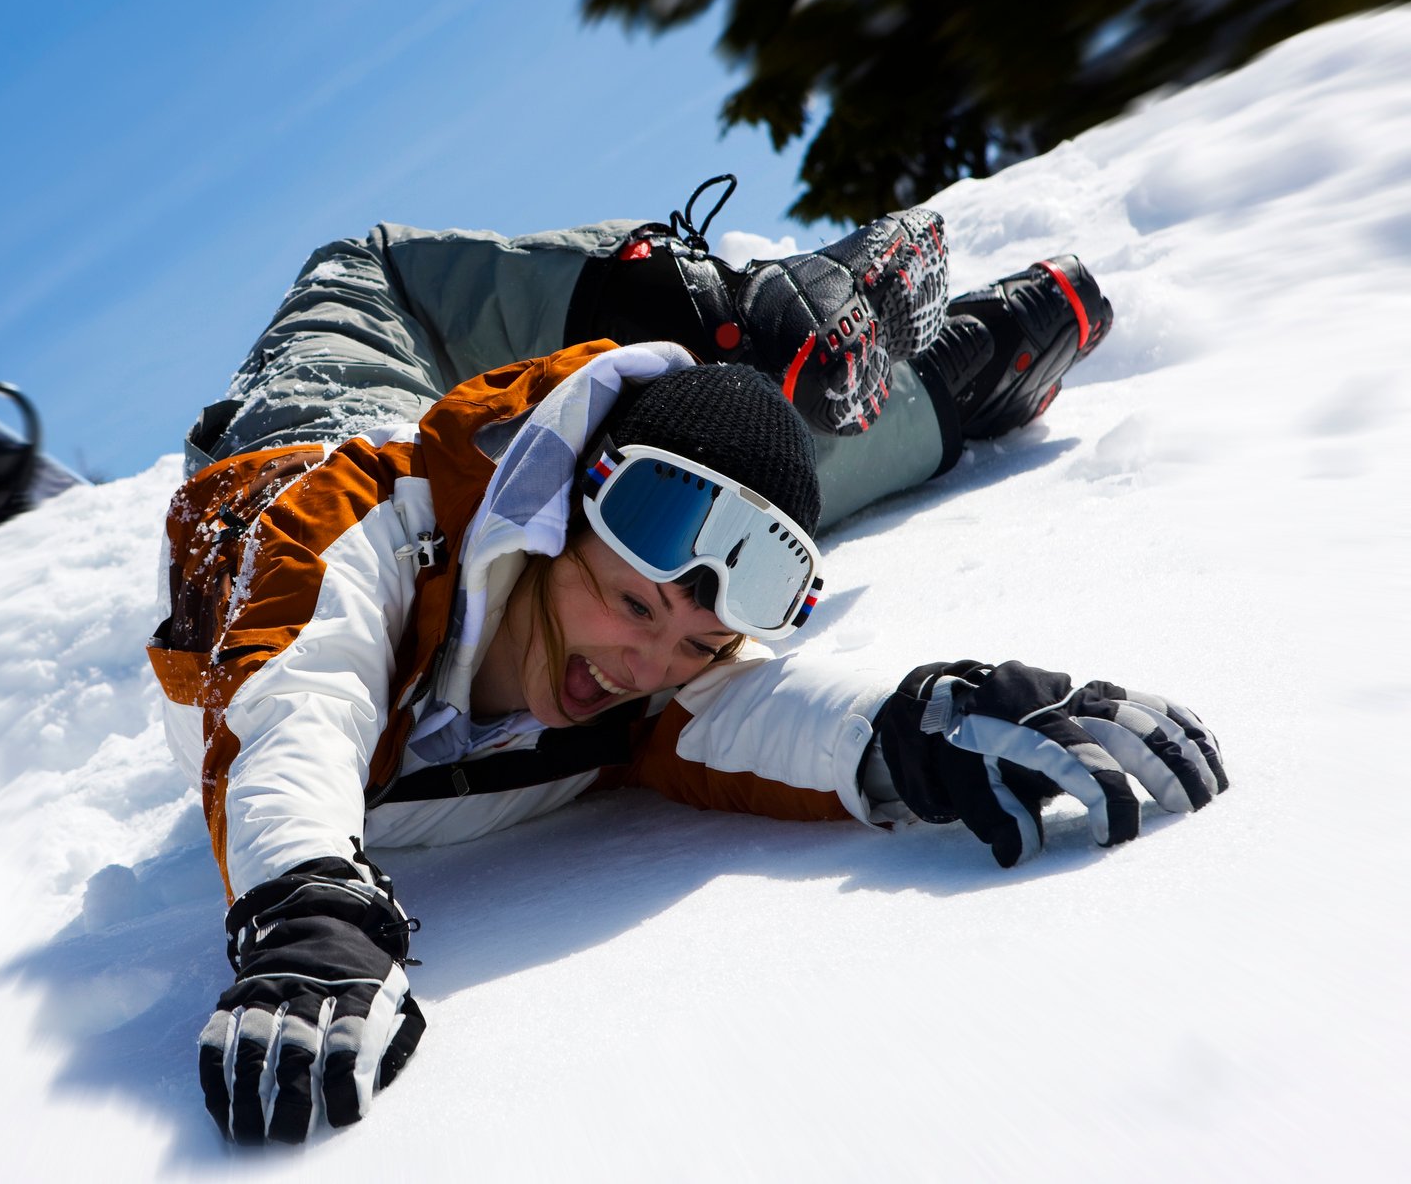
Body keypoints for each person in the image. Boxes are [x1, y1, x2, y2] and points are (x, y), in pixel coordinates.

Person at [147, 188, 1229, 1147]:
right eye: (627, 608)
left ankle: (946, 385)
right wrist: (305, 903)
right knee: (368, 270)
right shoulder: (346, 527)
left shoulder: (652, 659)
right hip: (319, 424)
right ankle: (719, 303)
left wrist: (920, 720)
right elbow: (300, 689)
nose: (642, 666)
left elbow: (752, 705)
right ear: (549, 517)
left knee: (732, 512)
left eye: (696, 647)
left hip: (595, 483)